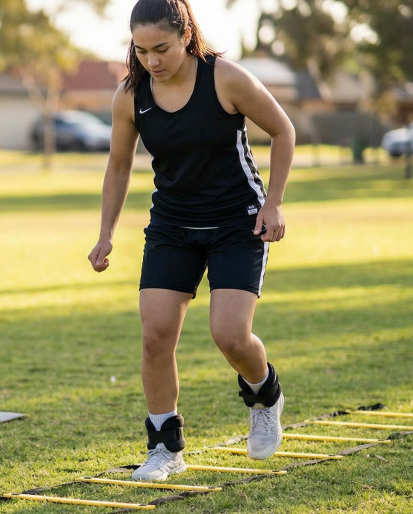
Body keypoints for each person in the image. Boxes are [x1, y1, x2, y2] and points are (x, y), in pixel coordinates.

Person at [88, 0, 295, 481]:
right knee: (155, 335)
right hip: (172, 225)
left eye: (161, 48)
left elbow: (282, 130)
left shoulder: (226, 79)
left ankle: (264, 393)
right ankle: (166, 446)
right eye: (141, 51)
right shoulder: (130, 96)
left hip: (236, 223)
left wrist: (274, 203)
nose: (152, 61)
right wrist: (106, 233)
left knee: (230, 335)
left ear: (185, 36)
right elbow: (118, 165)